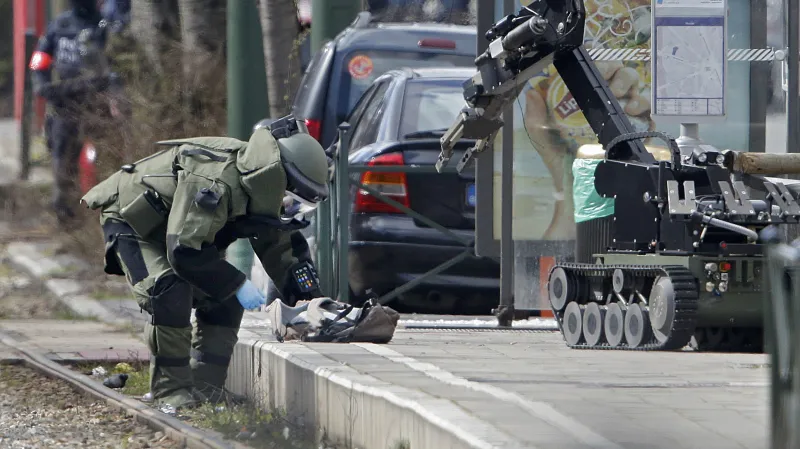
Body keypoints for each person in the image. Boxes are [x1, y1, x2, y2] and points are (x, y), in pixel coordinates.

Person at [79, 115, 330, 410]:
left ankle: (205, 389)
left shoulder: (259, 189)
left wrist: (317, 311)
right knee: (167, 291)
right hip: (132, 222)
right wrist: (236, 282)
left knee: (224, 300)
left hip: (177, 233)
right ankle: (170, 393)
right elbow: (184, 251)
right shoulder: (215, 182)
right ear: (276, 179)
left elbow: (284, 255)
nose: (290, 208)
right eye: (290, 199)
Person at [29, 0, 121, 225]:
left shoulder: (104, 26)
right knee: (63, 165)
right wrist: (41, 82)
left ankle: (106, 218)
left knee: (106, 161)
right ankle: (68, 221)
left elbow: (116, 67)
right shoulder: (59, 25)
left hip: (98, 106)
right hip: (64, 106)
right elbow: (39, 59)